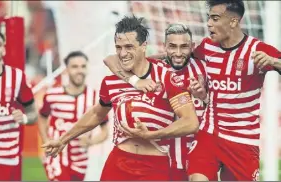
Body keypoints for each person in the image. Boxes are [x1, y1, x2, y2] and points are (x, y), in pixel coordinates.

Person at [41, 15, 199, 181]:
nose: (123, 53)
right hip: (118, 163)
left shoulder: (167, 77)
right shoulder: (111, 81)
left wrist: (153, 134)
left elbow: (190, 122)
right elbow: (96, 114)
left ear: (143, 46)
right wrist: (62, 140)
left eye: (129, 47)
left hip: (155, 165)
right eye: (119, 47)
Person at [185, 0, 281, 181]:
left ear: (233, 21)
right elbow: (178, 58)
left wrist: (274, 62)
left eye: (215, 19)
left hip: (243, 142)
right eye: (208, 18)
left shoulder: (257, 50)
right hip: (210, 134)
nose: (208, 24)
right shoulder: (206, 47)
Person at [103, 23, 210, 181]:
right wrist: (135, 81)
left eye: (184, 47)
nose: (178, 53)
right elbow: (110, 59)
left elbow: (222, 106)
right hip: (169, 155)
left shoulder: (204, 68)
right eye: (172, 46)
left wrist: (204, 96)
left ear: (192, 46)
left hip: (198, 151)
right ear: (164, 46)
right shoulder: (157, 67)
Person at [38, 51, 109, 181]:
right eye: (75, 67)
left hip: (80, 159)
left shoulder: (95, 98)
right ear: (66, 70)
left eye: (83, 66)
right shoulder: (52, 95)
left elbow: (105, 132)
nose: (79, 70)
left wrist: (90, 142)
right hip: (57, 155)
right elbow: (42, 117)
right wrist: (45, 140)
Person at [0, 28, 38, 181]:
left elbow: (33, 115)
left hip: (6, 158)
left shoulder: (17, 77)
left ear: (4, 50)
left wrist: (24, 118)